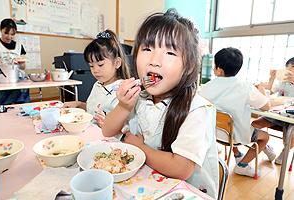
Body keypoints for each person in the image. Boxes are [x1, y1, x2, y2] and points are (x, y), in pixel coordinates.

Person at [102, 9, 219, 199]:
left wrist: (140, 148)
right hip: (146, 183)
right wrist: (123, 107)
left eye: (170, 52)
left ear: (189, 66)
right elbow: (108, 131)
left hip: (185, 191)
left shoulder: (195, 110)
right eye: (147, 49)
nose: (154, 61)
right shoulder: (139, 97)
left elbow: (181, 168)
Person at [200, 47, 275, 178]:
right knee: (265, 137)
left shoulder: (206, 87)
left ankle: (237, 154)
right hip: (235, 135)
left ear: (219, 70)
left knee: (231, 124)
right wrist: (260, 89)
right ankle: (243, 165)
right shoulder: (245, 86)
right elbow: (267, 106)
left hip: (213, 133)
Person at [63, 29, 130, 129]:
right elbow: (93, 109)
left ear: (117, 63)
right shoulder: (98, 84)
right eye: (91, 66)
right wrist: (78, 104)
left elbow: (127, 127)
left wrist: (108, 124)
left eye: (100, 65)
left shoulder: (122, 90)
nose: (95, 70)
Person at [252, 57, 294, 165]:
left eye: (292, 66)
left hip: (291, 118)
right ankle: (266, 147)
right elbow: (268, 92)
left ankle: (285, 152)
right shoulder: (282, 82)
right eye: (287, 66)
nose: (288, 68)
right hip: (277, 114)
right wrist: (272, 79)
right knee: (254, 125)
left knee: (290, 134)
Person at [0, 18, 29, 105]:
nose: (9, 37)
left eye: (12, 34)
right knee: (3, 107)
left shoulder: (19, 46)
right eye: (6, 33)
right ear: (0, 29)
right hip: (1, 81)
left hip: (18, 80)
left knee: (22, 106)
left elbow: (22, 67)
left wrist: (22, 63)